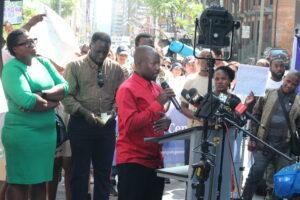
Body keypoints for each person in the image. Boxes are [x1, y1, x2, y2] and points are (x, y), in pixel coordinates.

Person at [1, 29, 69, 200]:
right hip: (22, 135)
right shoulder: (11, 69)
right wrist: (53, 101)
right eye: (27, 43)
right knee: (19, 183)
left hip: (46, 136)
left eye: (33, 41)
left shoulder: (43, 63)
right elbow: (27, 101)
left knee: (40, 181)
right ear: (14, 49)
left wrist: (43, 95)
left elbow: (66, 88)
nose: (32, 45)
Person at [62, 32, 125, 200]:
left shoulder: (116, 68)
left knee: (104, 172)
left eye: (105, 52)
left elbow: (121, 96)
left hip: (106, 126)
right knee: (80, 172)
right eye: (98, 50)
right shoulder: (74, 66)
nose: (101, 55)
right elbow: (66, 96)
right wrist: (83, 111)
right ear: (90, 45)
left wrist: (114, 111)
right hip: (81, 124)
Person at [116, 45, 174, 200]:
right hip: (133, 161)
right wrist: (157, 104)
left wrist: (166, 121)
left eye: (159, 64)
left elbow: (156, 116)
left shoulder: (155, 88)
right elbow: (130, 125)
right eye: (153, 64)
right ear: (138, 64)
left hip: (155, 161)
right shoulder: (126, 89)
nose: (157, 68)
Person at [243, 71, 300, 200]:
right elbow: (255, 116)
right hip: (263, 144)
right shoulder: (269, 94)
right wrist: (252, 138)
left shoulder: (298, 101)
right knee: (255, 174)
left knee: (281, 181)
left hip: (284, 147)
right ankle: (245, 197)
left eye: (294, 84)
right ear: (284, 79)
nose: (289, 85)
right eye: (288, 81)